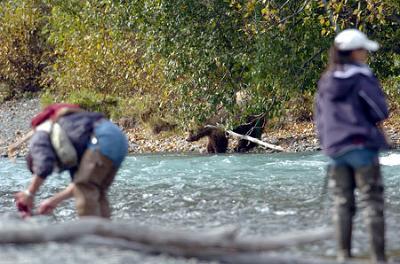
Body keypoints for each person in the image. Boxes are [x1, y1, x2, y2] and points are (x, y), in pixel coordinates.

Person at [314, 29, 389, 263]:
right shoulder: (361, 77)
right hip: (362, 146)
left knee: (342, 202)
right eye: (363, 50)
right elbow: (380, 111)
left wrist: (328, 144)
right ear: (354, 52)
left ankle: (343, 255)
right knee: (372, 201)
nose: (365, 54)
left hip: (336, 149)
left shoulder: (326, 80)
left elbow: (320, 116)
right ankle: (379, 258)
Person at [15, 103, 128, 218]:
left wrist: (29, 193)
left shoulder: (38, 137)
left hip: (101, 139)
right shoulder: (71, 150)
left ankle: (90, 233)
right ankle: (105, 232)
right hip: (118, 138)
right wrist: (54, 200)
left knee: (86, 188)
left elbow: (44, 166)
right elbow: (78, 184)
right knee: (97, 192)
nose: (55, 169)